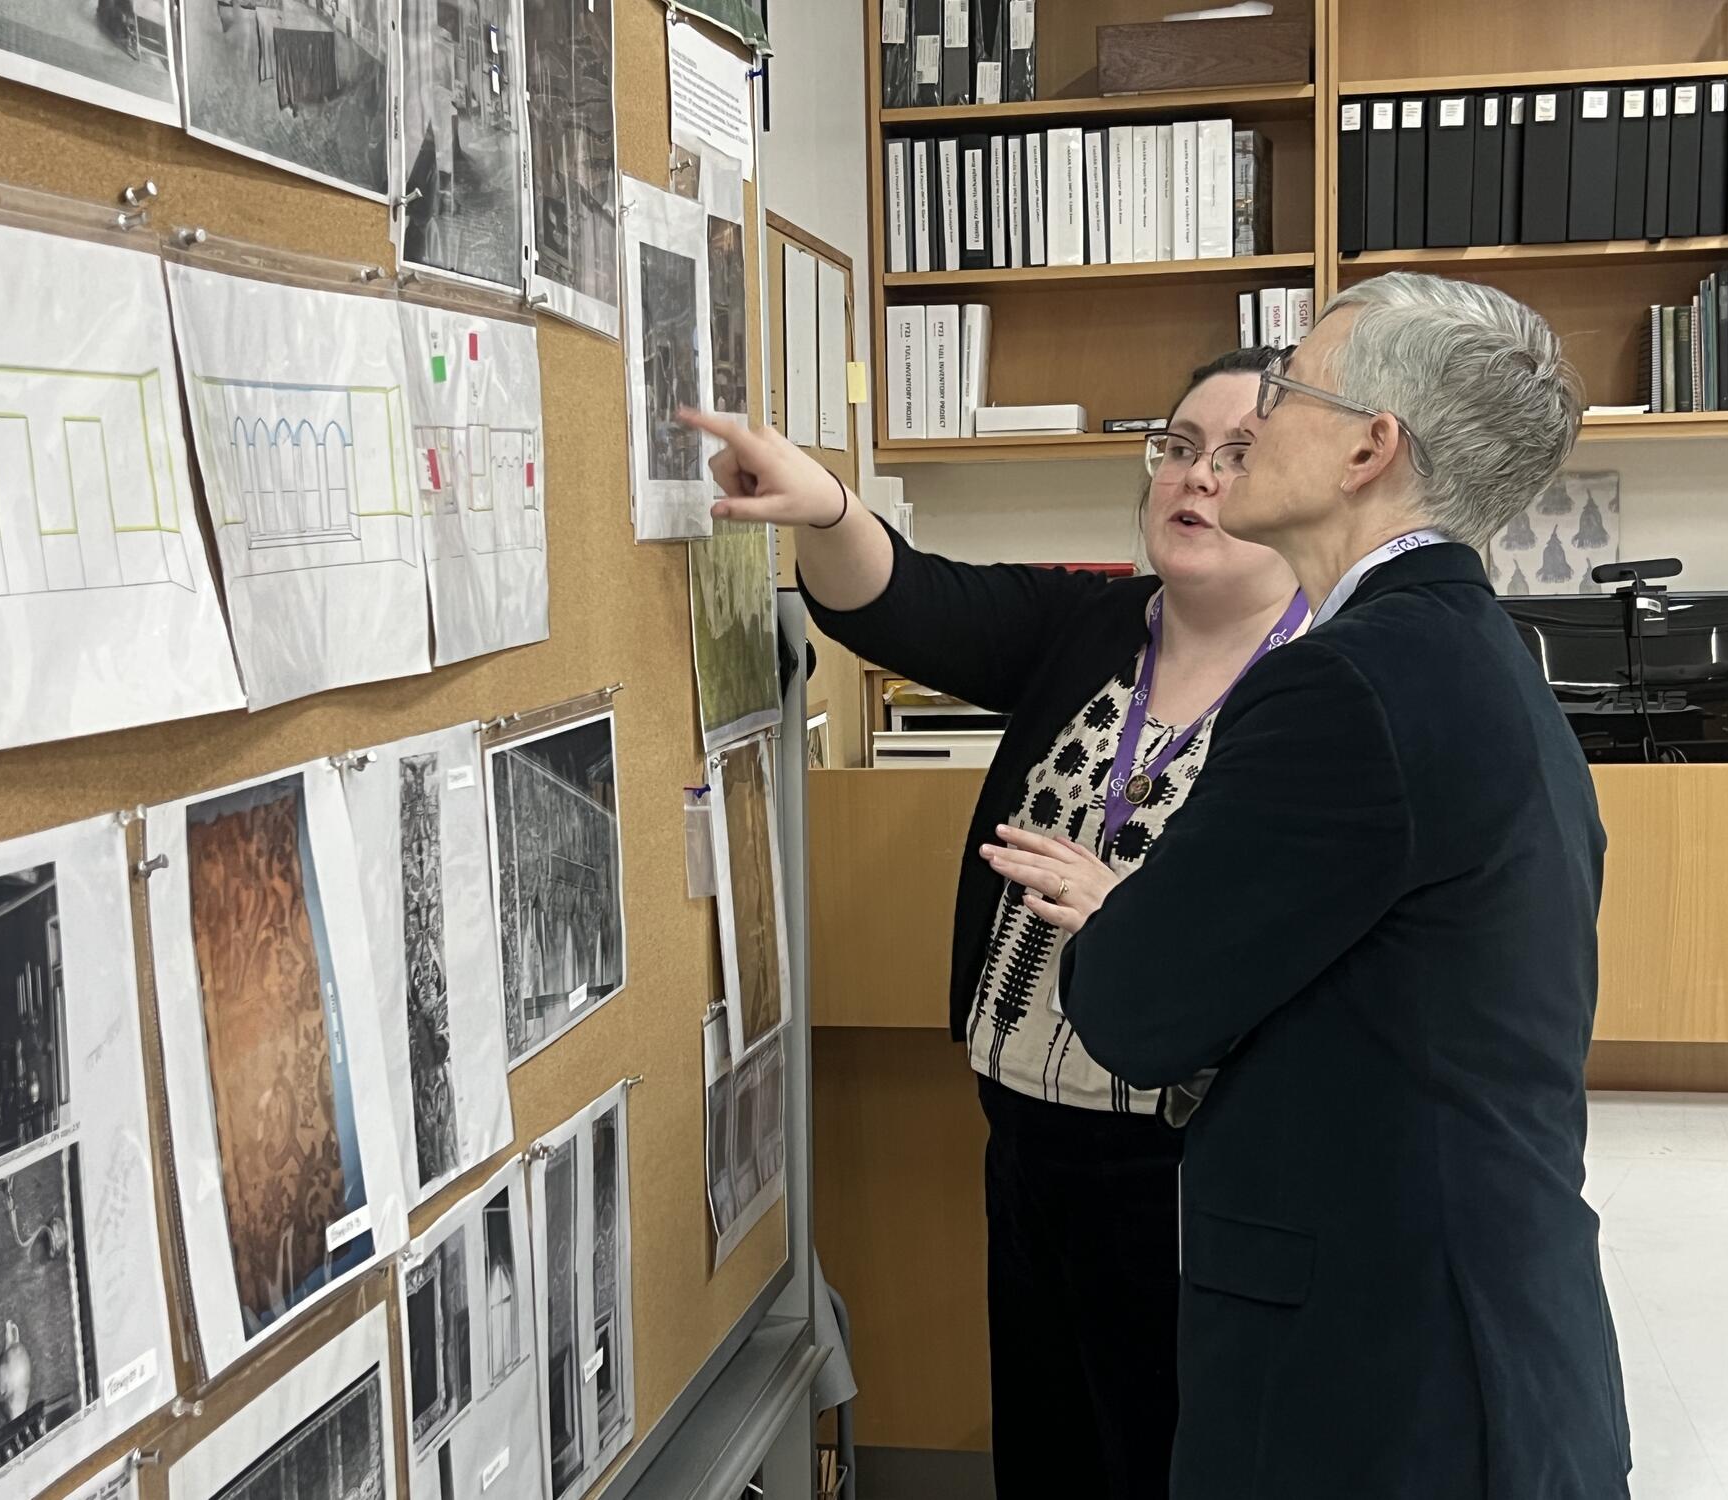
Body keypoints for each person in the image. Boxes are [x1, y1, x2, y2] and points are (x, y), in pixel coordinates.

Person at [983, 272, 1633, 1498]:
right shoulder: (1472, 654)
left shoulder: (1345, 683)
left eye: (1283, 389)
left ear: (1366, 448)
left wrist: (1122, 911)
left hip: (1381, 1360)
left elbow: (1132, 1013)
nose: (1249, 423)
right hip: (1472, 1316)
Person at [679, 348, 1305, 1499]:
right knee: (1049, 1452)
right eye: (1176, 448)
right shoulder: (1090, 625)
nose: (1194, 480)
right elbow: (910, 602)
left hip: (1192, 1169)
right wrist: (824, 506)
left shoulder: (1322, 685)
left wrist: (1135, 914)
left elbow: (1307, 935)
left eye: (1235, 457)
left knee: (1168, 1458)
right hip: (1024, 1138)